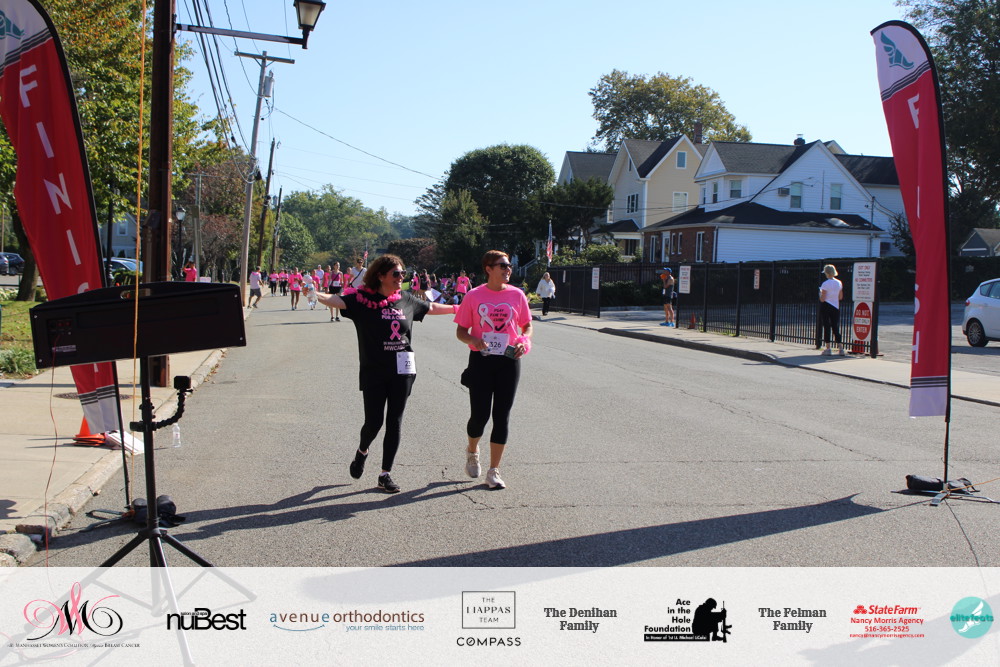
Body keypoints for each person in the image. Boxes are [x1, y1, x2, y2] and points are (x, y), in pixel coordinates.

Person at [315, 254, 458, 493]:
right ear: (380, 275)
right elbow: (338, 300)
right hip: (374, 370)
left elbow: (430, 307)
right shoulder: (362, 299)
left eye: (403, 273)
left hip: (403, 370)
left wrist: (458, 308)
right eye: (396, 274)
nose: (401, 277)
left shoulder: (405, 299)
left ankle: (385, 474)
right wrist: (315, 294)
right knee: (373, 423)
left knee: (395, 421)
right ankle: (362, 451)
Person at [454, 250, 533, 490]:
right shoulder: (473, 296)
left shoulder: (517, 295)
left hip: (509, 360)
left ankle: (494, 471)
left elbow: (527, 326)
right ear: (488, 269)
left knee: (502, 415)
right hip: (481, 360)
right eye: (503, 265)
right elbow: (461, 331)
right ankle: (472, 451)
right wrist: (473, 340)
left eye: (509, 265)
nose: (508, 269)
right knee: (480, 416)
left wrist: (523, 341)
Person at [819, 263, 845, 356]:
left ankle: (828, 348)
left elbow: (822, 299)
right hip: (835, 306)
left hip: (826, 305)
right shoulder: (839, 283)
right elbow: (840, 297)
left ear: (826, 273)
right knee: (835, 327)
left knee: (827, 326)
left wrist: (820, 294)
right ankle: (841, 348)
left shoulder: (825, 284)